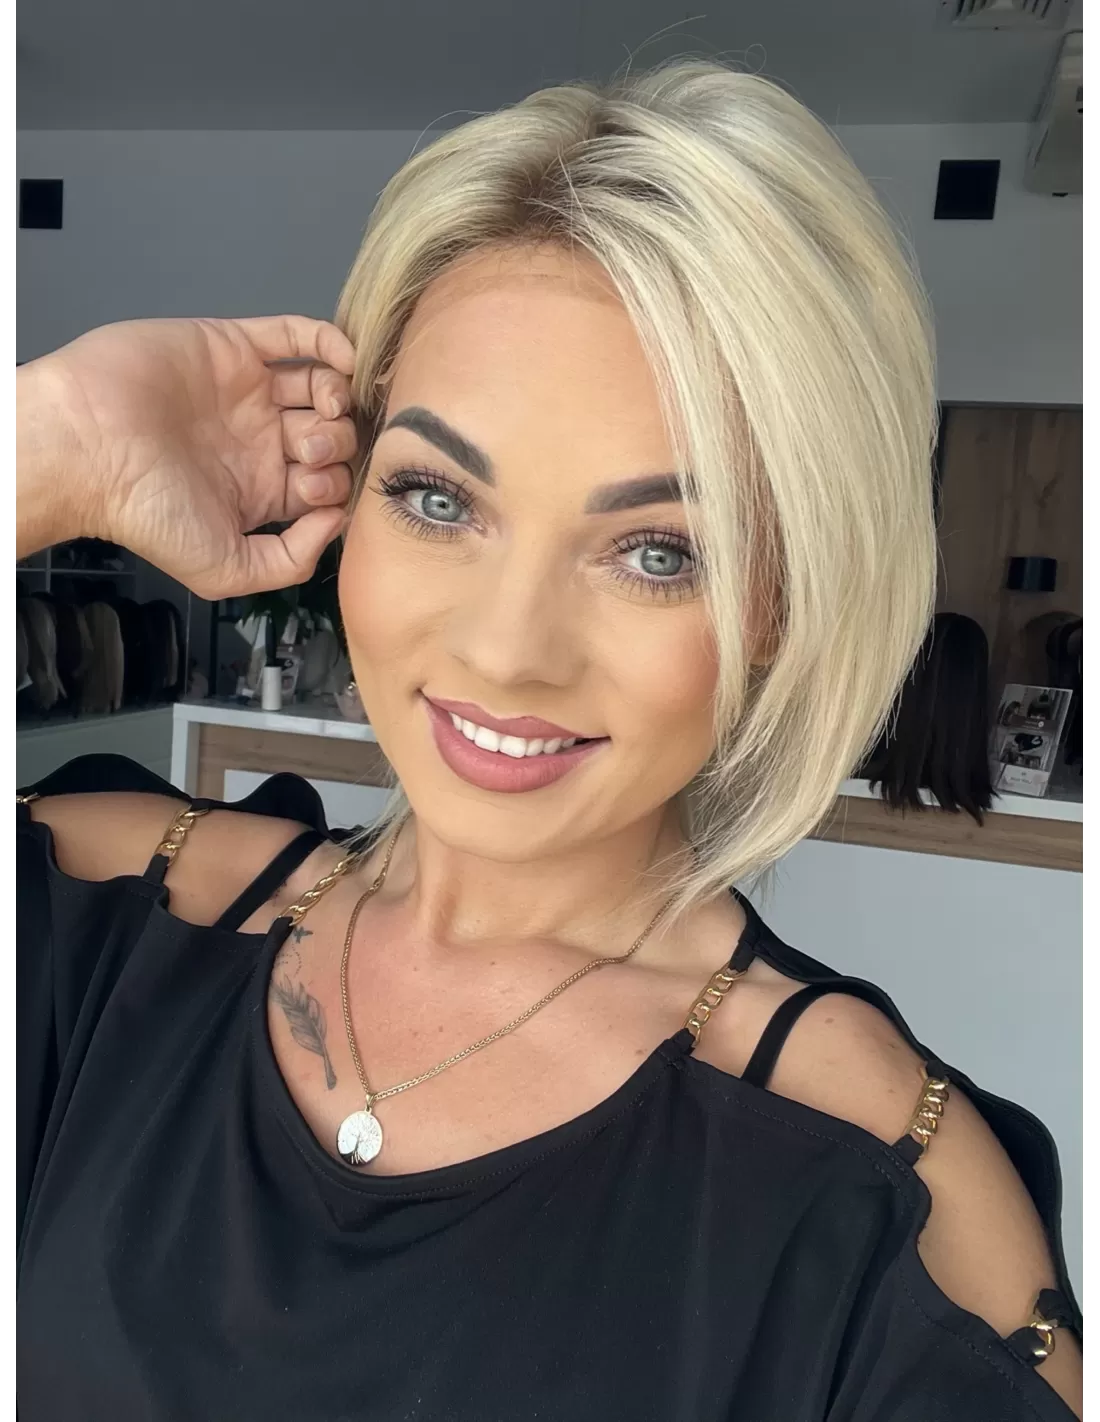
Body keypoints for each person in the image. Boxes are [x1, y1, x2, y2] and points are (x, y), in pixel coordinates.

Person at [16, 61, 1082, 1420]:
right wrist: (49, 449)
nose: (508, 648)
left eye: (657, 551)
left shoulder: (890, 1191)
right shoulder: (98, 912)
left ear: (783, 603)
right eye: (436, 498)